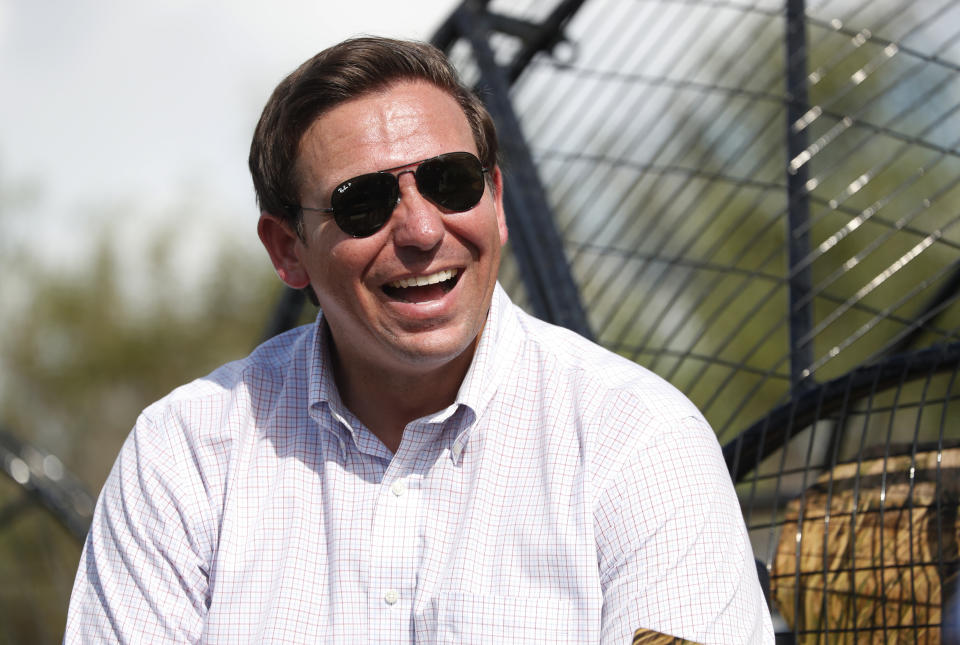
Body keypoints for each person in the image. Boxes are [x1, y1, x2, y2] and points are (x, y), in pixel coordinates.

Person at [64, 36, 774, 643]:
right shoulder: (184, 459)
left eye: (450, 182)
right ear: (288, 250)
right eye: (364, 204)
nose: (422, 230)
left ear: (495, 202)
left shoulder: (639, 444)